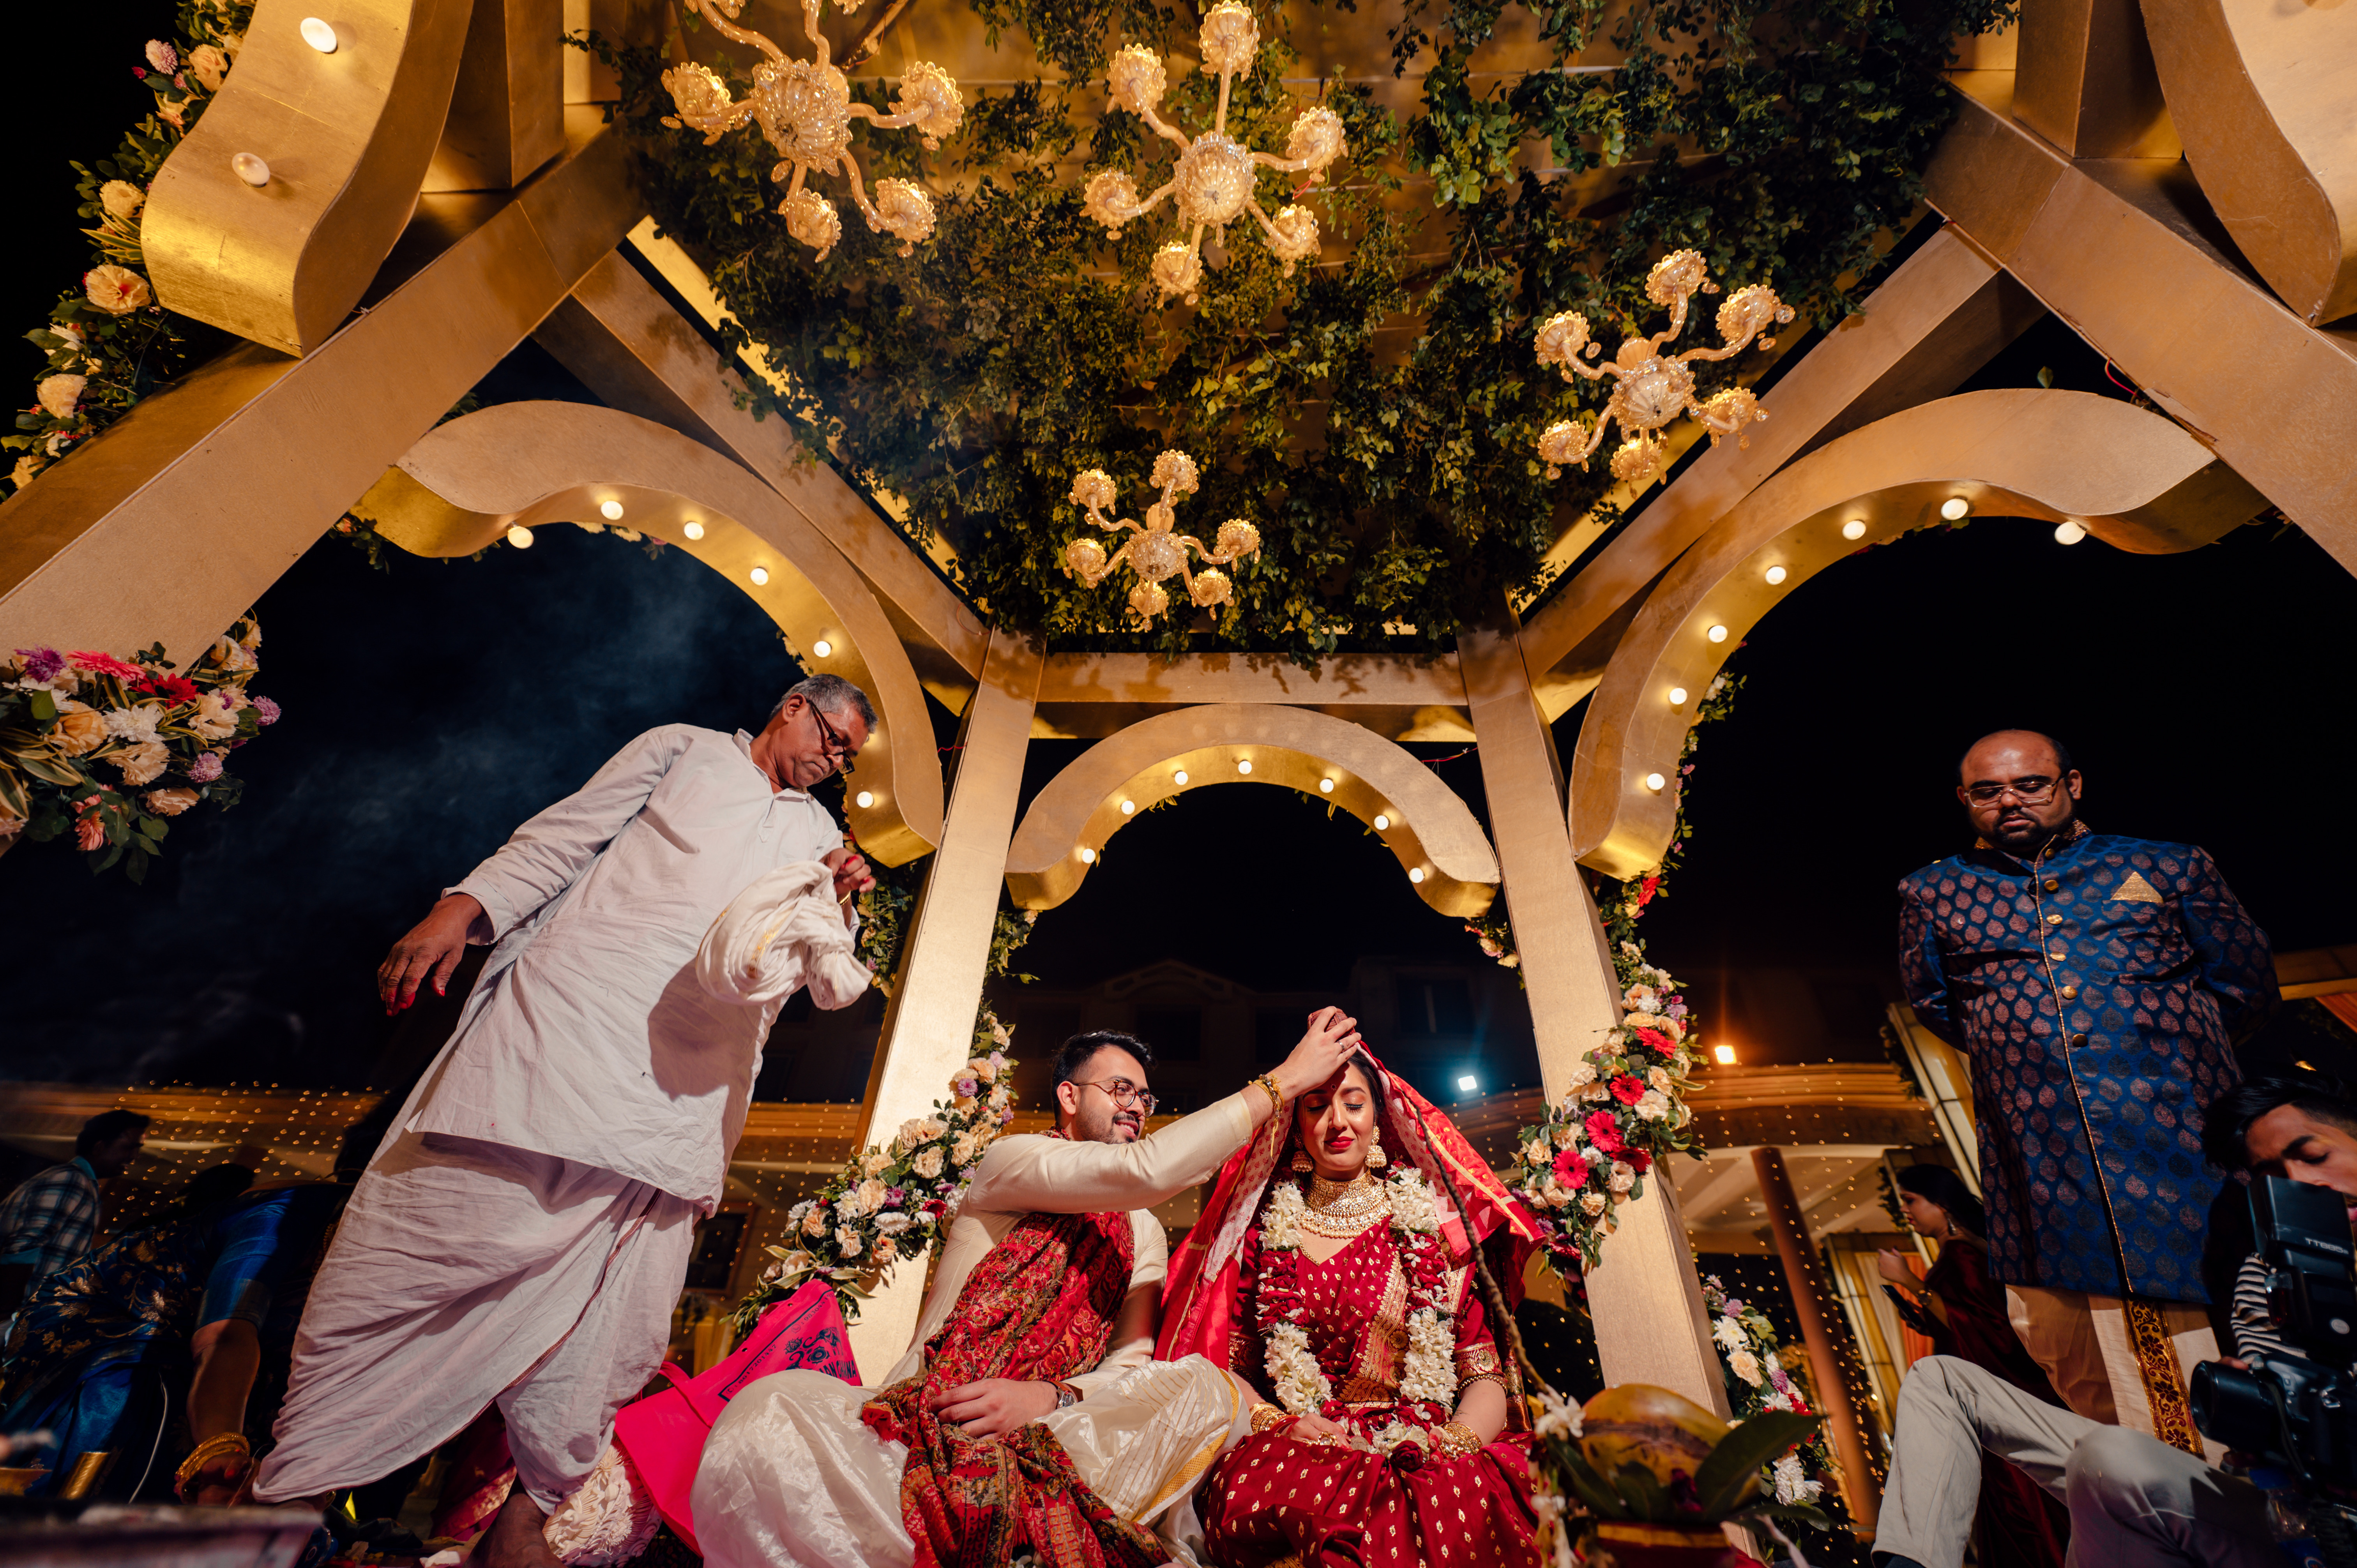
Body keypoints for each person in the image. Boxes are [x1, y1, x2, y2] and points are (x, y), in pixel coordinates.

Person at [250, 675, 882, 1568]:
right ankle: (292, 1490)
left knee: (618, 1336)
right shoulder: (684, 748)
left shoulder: (820, 832)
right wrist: (460, 908)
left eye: (851, 754)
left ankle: (532, 1513)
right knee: (414, 1256)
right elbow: (561, 839)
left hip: (684, 1106)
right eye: (835, 736)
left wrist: (843, 893)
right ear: (790, 706)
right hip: (566, 1041)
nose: (838, 760)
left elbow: (813, 961)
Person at [689, 1013, 1366, 1568]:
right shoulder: (1012, 1162)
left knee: (1195, 1384)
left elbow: (1128, 1367)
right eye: (1118, 1088)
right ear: (1069, 1096)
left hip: (1057, 1429)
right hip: (935, 1409)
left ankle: (1030, 1523)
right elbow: (1146, 1168)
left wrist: (1045, 1396)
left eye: (1144, 1096)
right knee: (771, 1408)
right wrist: (1280, 1083)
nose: (1135, 1104)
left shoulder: (1141, 1229)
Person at [1897, 728, 2276, 1444]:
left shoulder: (2165, 865)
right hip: (2042, 1165)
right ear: (1964, 800)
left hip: (2182, 1151)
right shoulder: (1933, 890)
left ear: (2072, 783)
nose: (2008, 799)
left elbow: (2245, 987)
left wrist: (2155, 1052)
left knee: (2235, 1347)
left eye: (2029, 783)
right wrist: (2036, 1063)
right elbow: (1938, 1006)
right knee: (2076, 1363)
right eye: (1987, 790)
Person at [1874, 1071, 2357, 1568]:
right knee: (1944, 1382)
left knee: (2106, 1457)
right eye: (2275, 1176)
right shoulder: (2271, 1269)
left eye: (2316, 1155)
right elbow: (2273, 1399)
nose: (2303, 1182)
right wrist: (2257, 1418)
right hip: (2287, 1514)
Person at [1157, 1049, 1542, 1568]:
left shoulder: (1436, 1229)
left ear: (1378, 1120)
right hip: (1303, 1446)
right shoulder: (1262, 1235)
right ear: (1297, 1127)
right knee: (1283, 1491)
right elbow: (1228, 1372)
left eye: (1353, 1104)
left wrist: (1451, 1444)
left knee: (1459, 1495)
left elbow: (1483, 1375)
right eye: (1316, 1107)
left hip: (1428, 1443)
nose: (1337, 1121)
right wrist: (1276, 1423)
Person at [0, 1164, 342, 1503]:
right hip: (114, 1323)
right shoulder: (284, 1214)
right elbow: (224, 1336)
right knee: (135, 1407)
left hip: (211, 1353)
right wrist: (220, 1448)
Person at [1876, 1164, 2068, 1567]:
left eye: (1911, 1200)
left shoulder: (1962, 1255)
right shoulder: (1960, 1253)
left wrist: (1911, 1283)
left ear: (1941, 1203)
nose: (1906, 1210)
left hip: (1995, 1399)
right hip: (1987, 1399)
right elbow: (1961, 1319)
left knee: (2024, 1509)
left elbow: (1989, 1327)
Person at [0, 1109, 150, 1319]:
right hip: (20, 1315)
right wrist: (10, 1316)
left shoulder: (81, 1183)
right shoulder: (71, 1180)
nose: (134, 1157)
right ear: (100, 1147)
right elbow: (22, 1248)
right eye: (129, 1147)